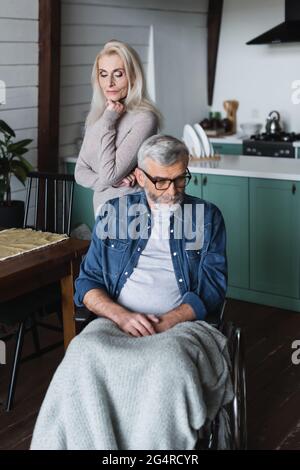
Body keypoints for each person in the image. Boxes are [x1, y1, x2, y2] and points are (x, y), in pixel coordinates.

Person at [30, 135, 232, 450]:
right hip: (117, 320)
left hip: (182, 324)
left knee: (169, 364)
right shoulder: (114, 214)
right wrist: (121, 316)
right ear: (139, 176)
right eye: (161, 181)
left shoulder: (207, 217)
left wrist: (167, 322)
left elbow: (213, 286)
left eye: (180, 179)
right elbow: (87, 282)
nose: (172, 191)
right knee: (82, 355)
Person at [75, 40, 161, 217]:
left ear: (133, 76)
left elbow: (109, 174)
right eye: (103, 74)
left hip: (130, 214)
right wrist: (111, 182)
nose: (109, 83)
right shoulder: (98, 116)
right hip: (101, 213)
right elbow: (80, 172)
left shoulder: (144, 118)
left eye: (118, 74)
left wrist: (109, 121)